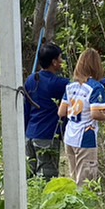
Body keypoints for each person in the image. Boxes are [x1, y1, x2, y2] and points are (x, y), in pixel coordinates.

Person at [58, 48, 105, 185]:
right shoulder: (96, 87)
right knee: (85, 182)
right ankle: (83, 205)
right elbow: (95, 114)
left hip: (70, 136)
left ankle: (71, 204)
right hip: (85, 137)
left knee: (73, 178)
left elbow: (61, 112)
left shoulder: (71, 86)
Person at [23, 43, 68, 179]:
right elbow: (84, 87)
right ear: (54, 62)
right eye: (61, 58)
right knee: (46, 178)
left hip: (30, 135)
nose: (62, 62)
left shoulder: (31, 80)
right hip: (46, 136)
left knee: (29, 177)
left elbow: (25, 110)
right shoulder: (58, 84)